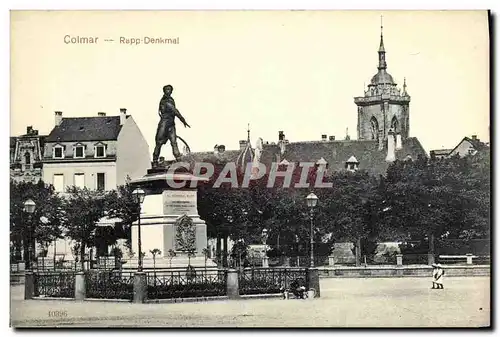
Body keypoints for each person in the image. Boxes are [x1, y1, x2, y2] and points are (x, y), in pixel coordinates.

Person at [152, 85, 190, 165]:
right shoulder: (165, 100)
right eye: (167, 89)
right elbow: (174, 111)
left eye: (170, 89)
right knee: (159, 143)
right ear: (164, 91)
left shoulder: (170, 99)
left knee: (174, 142)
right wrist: (183, 120)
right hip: (164, 124)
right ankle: (155, 161)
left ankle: (179, 160)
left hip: (171, 124)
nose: (168, 91)